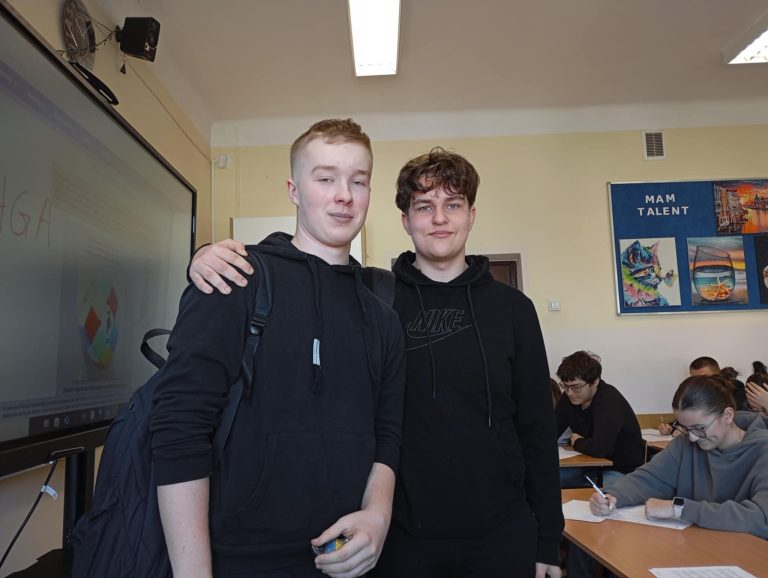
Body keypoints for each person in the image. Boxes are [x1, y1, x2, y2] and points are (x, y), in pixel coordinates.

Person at [190, 147, 564, 577]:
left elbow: (538, 429)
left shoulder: (513, 309)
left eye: (453, 205)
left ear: (471, 215)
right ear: (406, 220)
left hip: (500, 535)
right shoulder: (370, 296)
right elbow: (301, 269)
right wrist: (206, 256)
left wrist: (547, 541)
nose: (439, 219)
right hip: (398, 538)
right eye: (424, 206)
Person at [151, 118, 406, 578]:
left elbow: (388, 435)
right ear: (294, 190)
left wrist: (378, 516)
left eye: (358, 181)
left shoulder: (383, 314)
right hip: (239, 561)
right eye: (325, 178)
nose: (344, 195)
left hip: (350, 560)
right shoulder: (235, 278)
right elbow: (179, 426)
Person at [590, 373, 768, 539]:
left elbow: (761, 518)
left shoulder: (762, 450)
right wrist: (612, 496)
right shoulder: (685, 444)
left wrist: (680, 509)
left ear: (727, 416)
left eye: (699, 428)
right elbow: (649, 478)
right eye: (685, 428)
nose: (692, 437)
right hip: (694, 543)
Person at [555, 351, 644, 488]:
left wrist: (576, 441)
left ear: (595, 381)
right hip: (590, 465)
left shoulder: (609, 400)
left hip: (621, 470)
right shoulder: (568, 399)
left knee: (591, 494)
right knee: (547, 478)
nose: (570, 392)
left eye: (576, 387)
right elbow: (550, 432)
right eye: (565, 386)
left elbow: (601, 448)